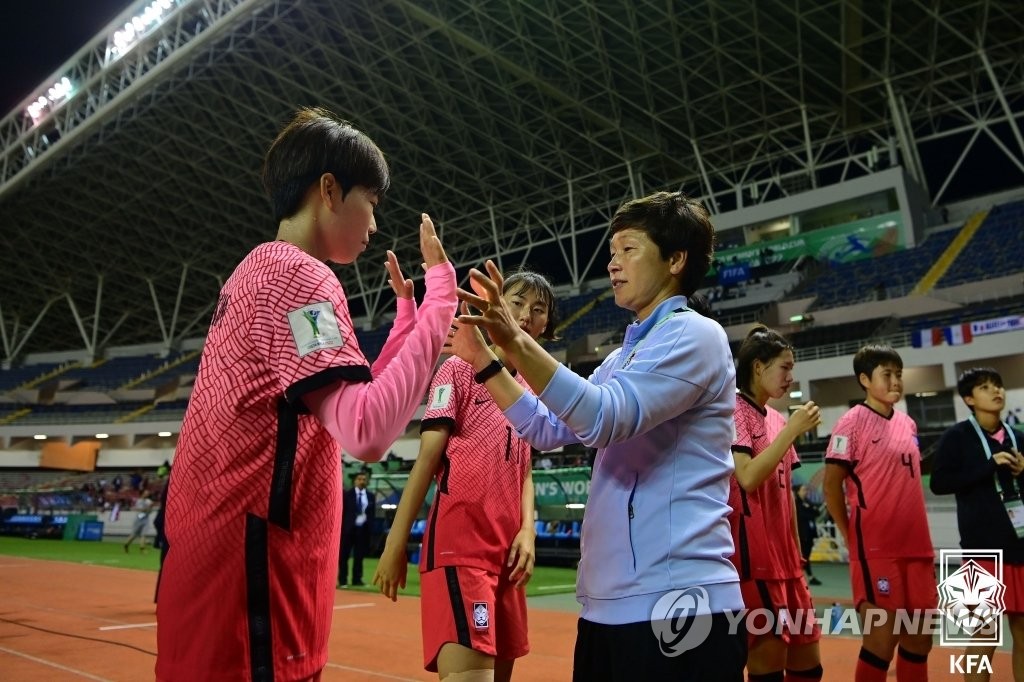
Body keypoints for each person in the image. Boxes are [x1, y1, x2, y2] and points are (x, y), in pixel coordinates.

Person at [155, 108, 458, 681]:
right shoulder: (299, 275)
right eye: (370, 201)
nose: (373, 225)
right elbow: (366, 430)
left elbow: (347, 396)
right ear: (329, 189)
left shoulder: (261, 269)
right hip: (253, 580)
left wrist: (406, 324)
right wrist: (442, 304)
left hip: (221, 569)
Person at [449, 191, 746, 681]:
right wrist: (485, 360)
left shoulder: (696, 335)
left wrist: (517, 341)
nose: (613, 263)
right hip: (609, 607)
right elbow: (545, 428)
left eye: (628, 249)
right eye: (611, 251)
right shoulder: (621, 355)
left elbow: (604, 417)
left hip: (679, 603)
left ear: (675, 259)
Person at [374, 269, 557, 681]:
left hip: (508, 556)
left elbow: (524, 469)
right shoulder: (458, 370)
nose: (526, 314)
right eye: (517, 303)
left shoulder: (532, 389)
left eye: (538, 309)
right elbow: (426, 460)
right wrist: (396, 542)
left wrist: (528, 530)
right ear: (493, 305)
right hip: (461, 550)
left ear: (547, 324)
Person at [823, 344, 934, 682]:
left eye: (898, 374)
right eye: (887, 374)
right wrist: (850, 535)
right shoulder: (850, 422)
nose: (896, 381)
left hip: (918, 548)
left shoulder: (908, 423)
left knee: (920, 638)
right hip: (876, 551)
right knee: (881, 640)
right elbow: (831, 487)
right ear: (865, 380)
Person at [729, 325, 824, 681]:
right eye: (784, 367)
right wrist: (790, 432)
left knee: (809, 667)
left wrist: (799, 557)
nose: (790, 376)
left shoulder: (780, 419)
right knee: (767, 667)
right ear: (758, 367)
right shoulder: (734, 410)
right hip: (756, 566)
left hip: (789, 566)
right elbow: (748, 477)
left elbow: (786, 497)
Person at [930, 367, 1024, 681]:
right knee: (984, 634)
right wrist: (987, 466)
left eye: (998, 385)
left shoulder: (1018, 436)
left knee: (1023, 634)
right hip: (981, 549)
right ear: (970, 398)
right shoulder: (956, 437)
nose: (996, 390)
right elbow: (939, 483)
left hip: (1021, 548)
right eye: (985, 387)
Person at [339, 470, 375, 587]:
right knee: (344, 555)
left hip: (362, 529)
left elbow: (372, 514)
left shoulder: (370, 496)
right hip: (348, 529)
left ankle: (357, 579)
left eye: (364, 479)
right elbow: (343, 512)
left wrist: (370, 527)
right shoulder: (347, 495)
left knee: (359, 556)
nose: (362, 481)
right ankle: (343, 580)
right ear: (355, 481)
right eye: (359, 479)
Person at [795, 484, 823, 586]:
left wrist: (810, 509)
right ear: (798, 491)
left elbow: (817, 512)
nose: (805, 491)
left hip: (810, 533)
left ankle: (805, 577)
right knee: (804, 556)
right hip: (802, 534)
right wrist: (811, 510)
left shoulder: (807, 502)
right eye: (803, 490)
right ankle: (805, 577)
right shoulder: (796, 503)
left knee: (806, 556)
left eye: (806, 490)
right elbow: (803, 515)